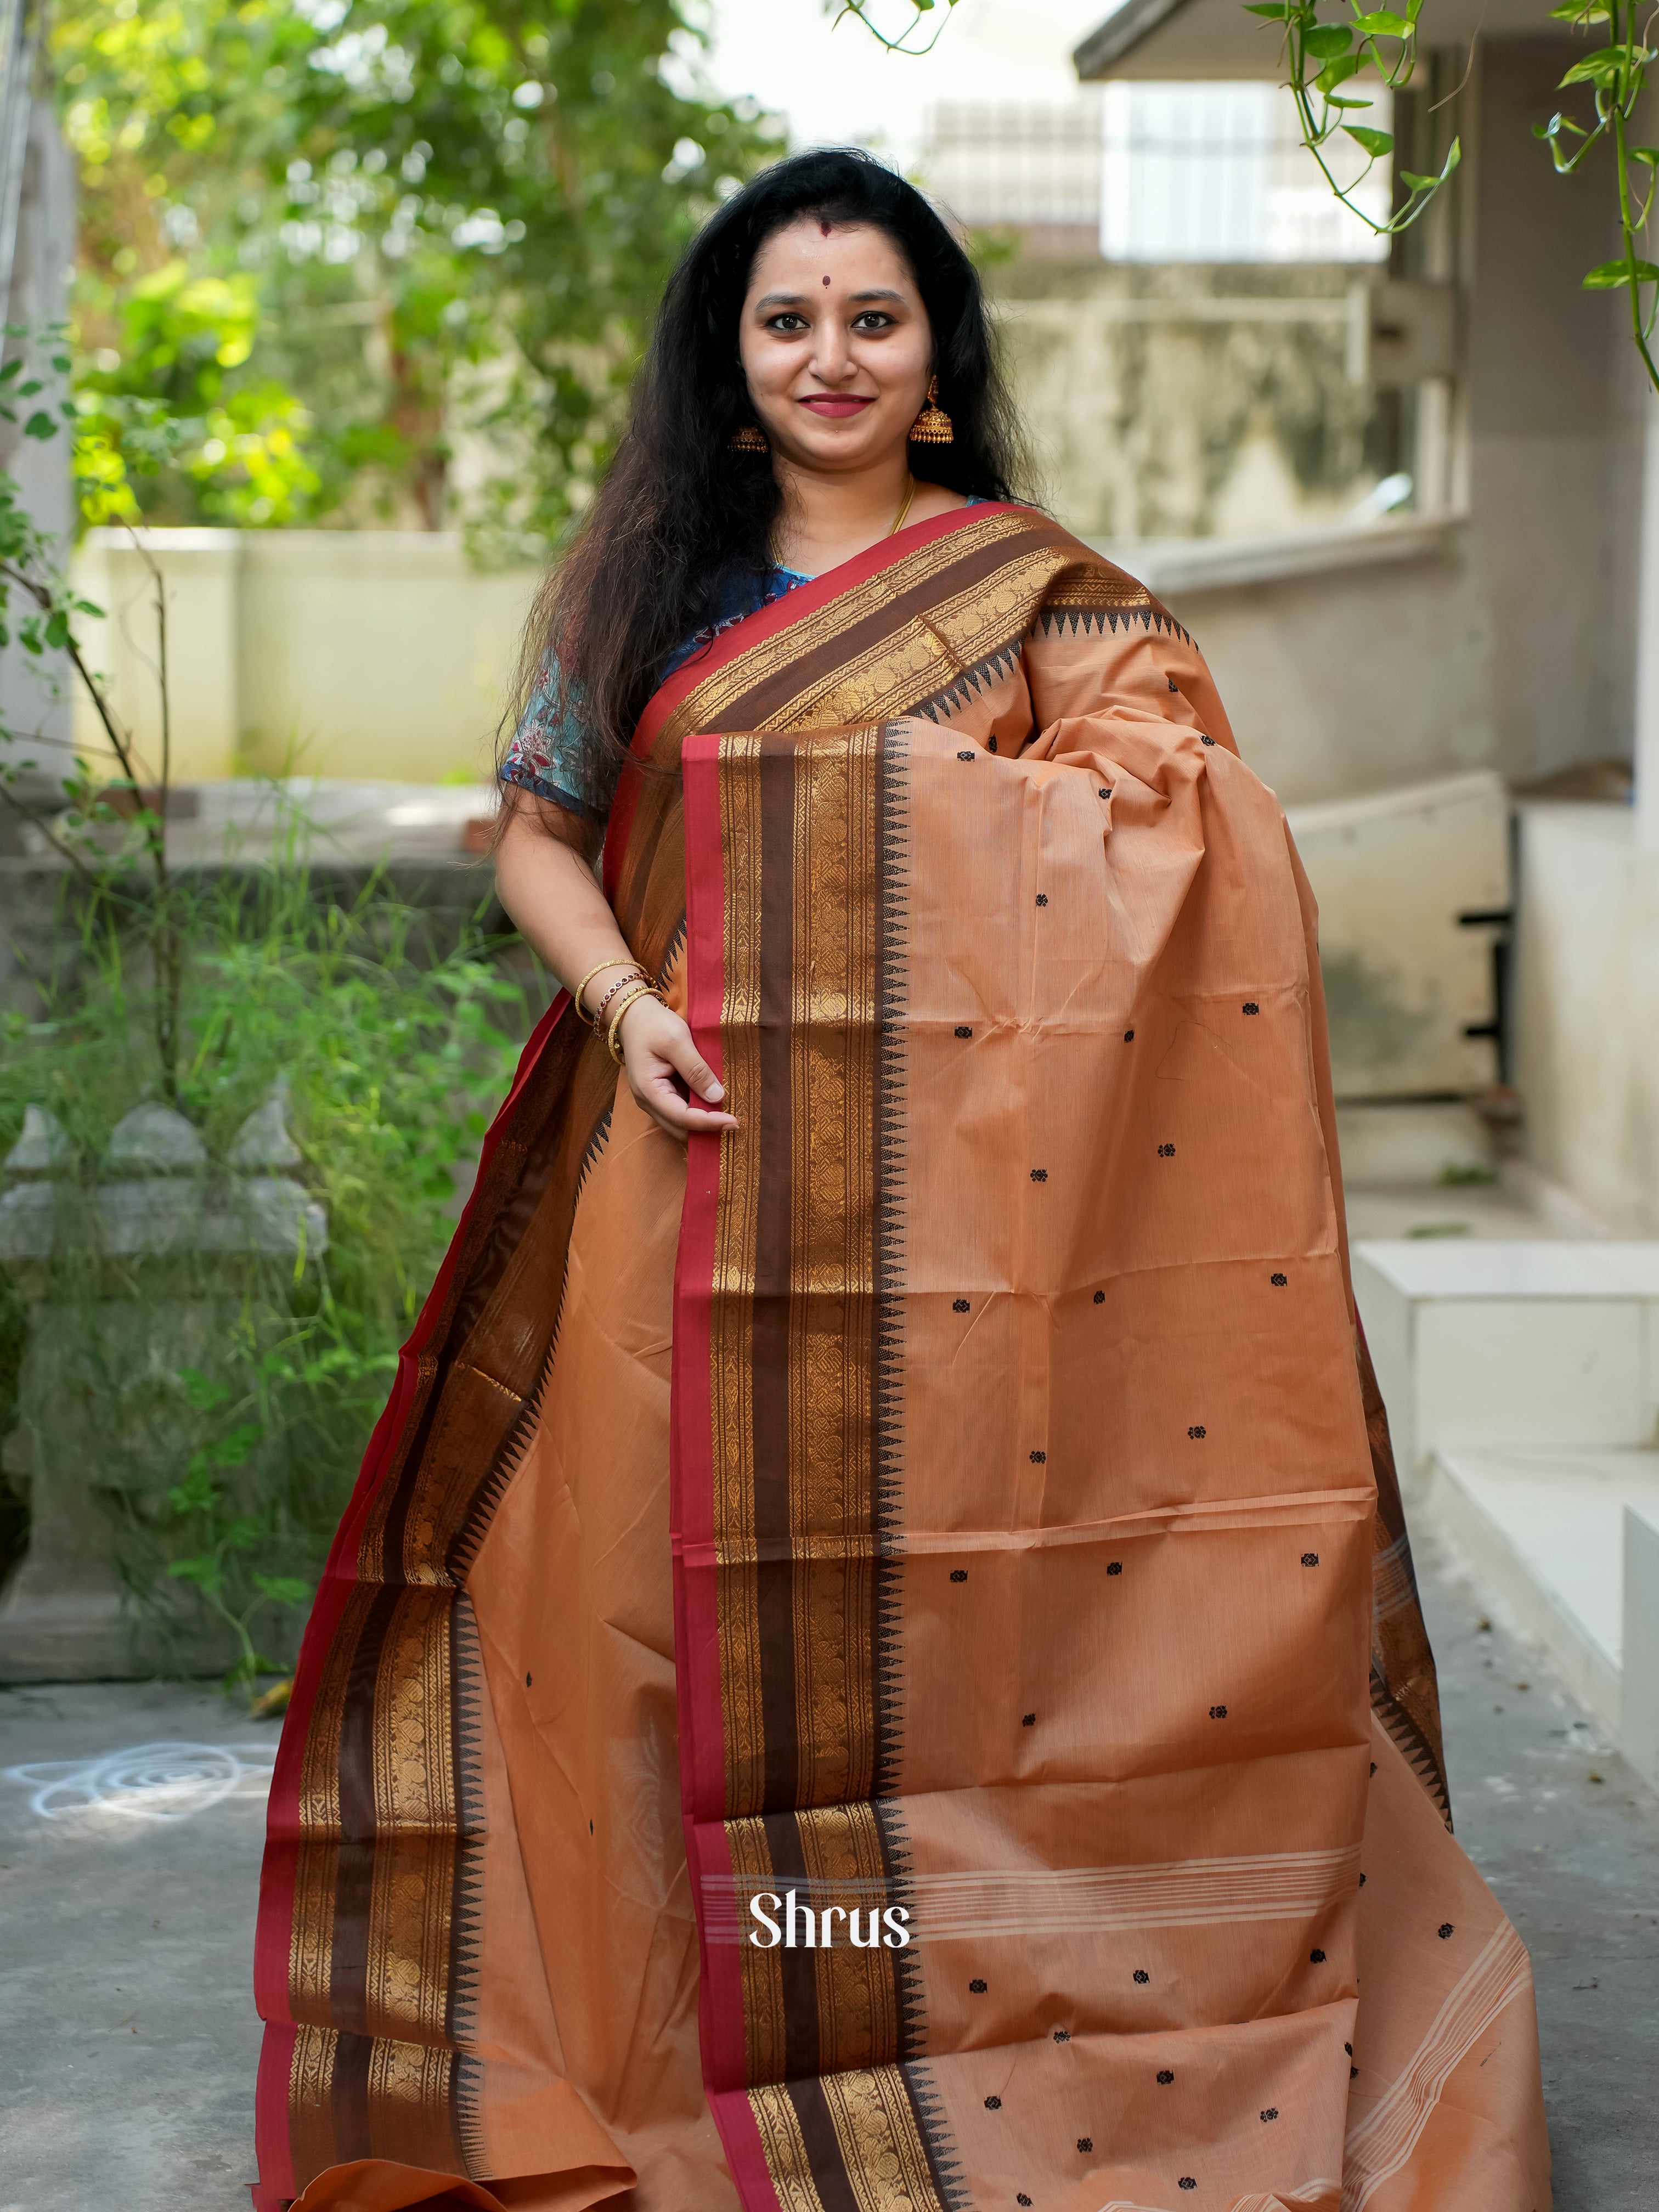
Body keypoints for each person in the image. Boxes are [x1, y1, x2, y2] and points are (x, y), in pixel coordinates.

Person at [251, 150, 1551, 2212]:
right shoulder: (639, 592)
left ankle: (941, 2024)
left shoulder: (1035, 588)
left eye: (874, 317)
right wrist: (622, 1004)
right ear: (729, 353)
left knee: (943, 1653)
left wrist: (866, 830)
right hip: (674, 1182)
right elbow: (532, 836)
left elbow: (1177, 835)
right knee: (641, 1632)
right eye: (788, 319)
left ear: (937, 350)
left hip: (959, 1251)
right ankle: (716, 2025)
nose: (830, 356)